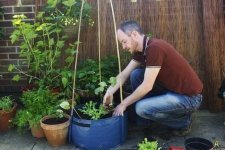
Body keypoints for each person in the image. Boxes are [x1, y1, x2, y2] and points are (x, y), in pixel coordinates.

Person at [103, 20, 203, 136]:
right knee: (136, 74)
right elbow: (124, 74)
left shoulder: (155, 48)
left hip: (189, 98)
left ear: (134, 35)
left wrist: (123, 104)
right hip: (172, 90)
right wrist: (109, 92)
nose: (123, 47)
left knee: (141, 108)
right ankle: (145, 122)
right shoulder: (142, 51)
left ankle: (183, 122)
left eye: (124, 42)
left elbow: (147, 86)